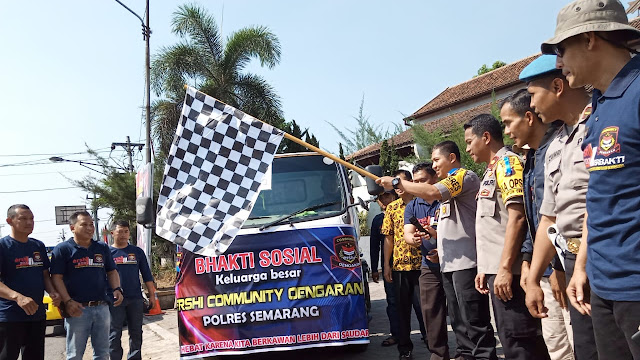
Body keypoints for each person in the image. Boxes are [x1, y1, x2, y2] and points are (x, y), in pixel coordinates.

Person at [541, 1, 640, 358]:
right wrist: (582, 265)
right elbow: (598, 197)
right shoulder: (598, 106)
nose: (558, 61)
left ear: (591, 38)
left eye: (562, 49)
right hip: (601, 284)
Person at [378, 141, 497, 360]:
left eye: (436, 160)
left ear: (451, 158)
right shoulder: (444, 189)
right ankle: (463, 354)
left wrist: (396, 182)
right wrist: (434, 242)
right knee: (458, 320)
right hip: (447, 262)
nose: (434, 165)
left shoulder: (463, 176)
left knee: (473, 319)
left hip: (467, 262)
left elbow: (432, 192)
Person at [522, 55, 596, 359]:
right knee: (587, 350)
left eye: (533, 95)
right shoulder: (554, 146)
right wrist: (534, 279)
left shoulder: (602, 124)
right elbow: (548, 219)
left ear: (557, 86)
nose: (531, 106)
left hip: (603, 258)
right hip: (570, 261)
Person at [464, 114, 550, 359]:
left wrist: (502, 268)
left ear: (486, 137)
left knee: (521, 342)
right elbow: (491, 225)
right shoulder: (491, 169)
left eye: (470, 142)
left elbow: (518, 217)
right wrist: (485, 267)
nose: (468, 148)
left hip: (510, 272)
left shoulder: (507, 164)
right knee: (510, 338)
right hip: (497, 270)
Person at [501, 84, 575, 360]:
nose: (507, 131)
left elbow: (559, 217)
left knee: (576, 343)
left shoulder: (556, 151)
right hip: (542, 269)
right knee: (557, 346)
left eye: (509, 123)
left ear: (529, 118)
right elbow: (536, 219)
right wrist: (527, 259)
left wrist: (556, 267)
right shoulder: (531, 159)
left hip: (561, 269)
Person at [50, 211, 124, 360]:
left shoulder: (102, 248)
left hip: (102, 307)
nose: (90, 228)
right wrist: (67, 301)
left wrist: (117, 289)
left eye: (91, 224)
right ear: (72, 228)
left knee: (102, 353)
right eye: (84, 224)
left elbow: (112, 271)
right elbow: (56, 278)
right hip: (78, 309)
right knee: (75, 355)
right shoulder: (63, 249)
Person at [0, 204, 60, 360]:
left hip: (36, 315)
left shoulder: (37, 245)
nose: (29, 222)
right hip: (10, 316)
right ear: (10, 221)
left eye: (32, 218)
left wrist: (52, 291)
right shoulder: (3, 247)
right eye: (23, 218)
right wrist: (17, 297)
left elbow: (45, 274)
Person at [403, 163, 449, 360]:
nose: (418, 185)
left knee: (458, 311)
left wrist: (439, 242)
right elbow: (407, 233)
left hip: (453, 263)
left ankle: (468, 352)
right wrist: (412, 240)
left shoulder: (446, 200)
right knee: (430, 311)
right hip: (428, 266)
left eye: (422, 181)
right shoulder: (412, 206)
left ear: (435, 181)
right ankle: (438, 354)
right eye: (415, 182)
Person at [381, 169, 428, 360]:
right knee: (402, 312)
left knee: (425, 309)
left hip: (422, 266)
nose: (397, 187)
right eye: (394, 183)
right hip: (400, 268)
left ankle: (432, 344)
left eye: (400, 182)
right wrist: (386, 265)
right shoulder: (392, 208)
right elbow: (388, 239)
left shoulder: (423, 203)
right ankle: (404, 349)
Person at [109, 220, 156, 360]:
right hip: (115, 300)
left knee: (136, 332)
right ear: (112, 233)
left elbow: (147, 275)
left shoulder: (137, 252)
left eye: (126, 231)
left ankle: (134, 357)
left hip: (135, 298)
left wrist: (152, 296)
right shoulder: (107, 252)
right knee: (114, 333)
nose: (123, 235)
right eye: (120, 231)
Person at [370, 190, 401, 347]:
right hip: (389, 267)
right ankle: (396, 335)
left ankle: (427, 334)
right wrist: (375, 268)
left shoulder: (405, 211)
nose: (383, 200)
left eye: (386, 196)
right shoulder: (377, 220)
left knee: (417, 302)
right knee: (393, 302)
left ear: (394, 196)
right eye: (380, 198)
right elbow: (374, 246)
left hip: (410, 265)